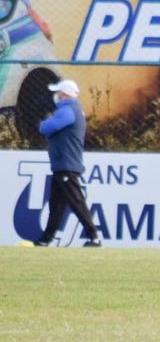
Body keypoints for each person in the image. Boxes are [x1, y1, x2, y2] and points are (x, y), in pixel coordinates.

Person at [34, 79, 101, 247]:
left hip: (66, 165)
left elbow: (45, 128)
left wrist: (44, 123)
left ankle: (94, 237)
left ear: (64, 94)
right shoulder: (73, 110)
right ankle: (45, 239)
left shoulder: (67, 111)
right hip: (63, 165)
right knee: (56, 205)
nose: (56, 96)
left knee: (76, 201)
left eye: (58, 92)